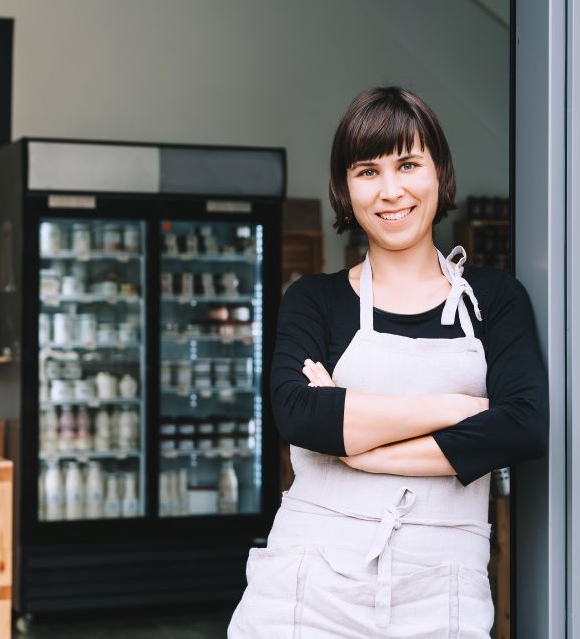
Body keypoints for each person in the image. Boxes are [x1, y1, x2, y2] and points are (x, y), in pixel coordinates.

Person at [228, 86, 548, 638]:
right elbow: (301, 416)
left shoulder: (494, 300)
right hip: (308, 589)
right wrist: (455, 409)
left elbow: (522, 426)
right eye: (367, 171)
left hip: (442, 593)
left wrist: (361, 449)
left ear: (440, 173)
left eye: (407, 164)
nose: (391, 190)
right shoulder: (314, 299)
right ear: (344, 189)